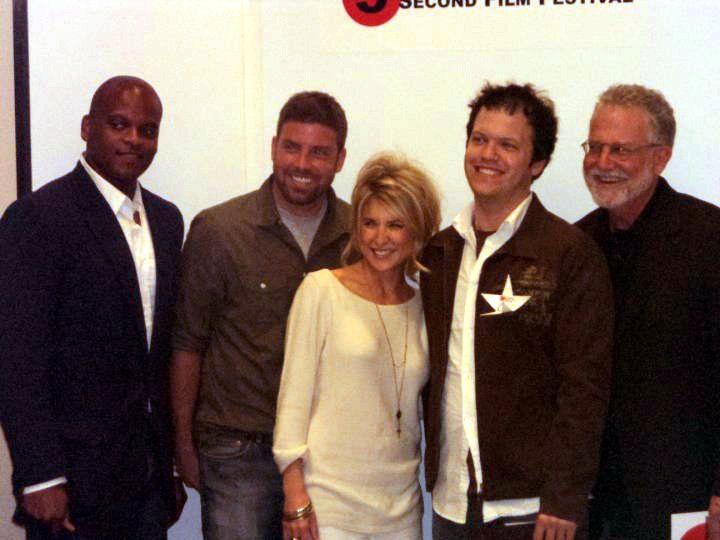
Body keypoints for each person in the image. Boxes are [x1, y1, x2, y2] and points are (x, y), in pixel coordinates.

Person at [420, 82, 614, 540]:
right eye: (480, 139)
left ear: (537, 163)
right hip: (452, 504)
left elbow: (585, 389)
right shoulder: (439, 252)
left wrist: (565, 499)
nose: (488, 155)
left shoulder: (569, 255)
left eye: (508, 145)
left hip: (535, 511)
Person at [0, 76, 186, 539]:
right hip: (71, 487)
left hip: (148, 483)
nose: (134, 139)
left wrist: (170, 466)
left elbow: (158, 355)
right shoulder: (39, 218)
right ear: (88, 127)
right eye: (119, 124)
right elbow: (18, 359)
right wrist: (41, 475)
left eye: (147, 130)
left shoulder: (167, 221)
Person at [171, 91, 351, 539]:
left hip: (328, 455)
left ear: (340, 159)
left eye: (319, 152)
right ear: (274, 147)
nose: (302, 163)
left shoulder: (359, 235)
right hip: (238, 451)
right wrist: (182, 445)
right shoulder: (219, 231)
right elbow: (187, 344)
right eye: (292, 147)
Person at [576, 84, 720, 539]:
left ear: (661, 158)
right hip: (594, 504)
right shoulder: (577, 245)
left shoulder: (710, 239)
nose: (602, 162)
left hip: (686, 499)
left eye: (620, 149)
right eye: (594, 147)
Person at [273, 151, 441, 540]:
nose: (379, 238)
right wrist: (295, 495)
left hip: (401, 509)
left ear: (417, 230)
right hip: (328, 508)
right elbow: (293, 401)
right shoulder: (321, 290)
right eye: (369, 223)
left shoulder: (423, 304)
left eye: (395, 225)